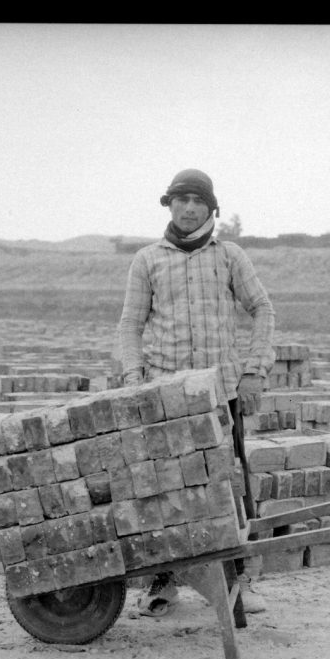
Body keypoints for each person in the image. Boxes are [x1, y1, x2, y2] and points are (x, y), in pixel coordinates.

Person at [118, 168, 275, 617]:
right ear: (168, 205)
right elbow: (131, 324)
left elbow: (262, 309)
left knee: (230, 485)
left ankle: (240, 581)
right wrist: (134, 379)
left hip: (221, 395)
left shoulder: (230, 257)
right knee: (164, 490)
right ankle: (162, 581)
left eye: (198, 201)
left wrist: (253, 372)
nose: (189, 208)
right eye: (181, 199)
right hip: (166, 399)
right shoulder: (147, 260)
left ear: (212, 209)